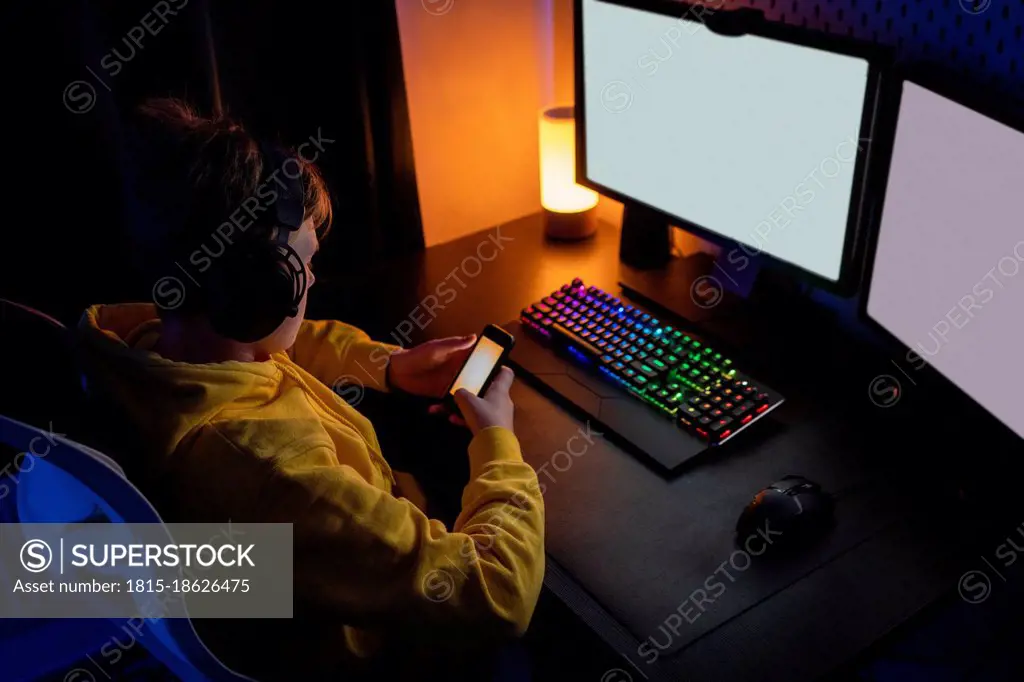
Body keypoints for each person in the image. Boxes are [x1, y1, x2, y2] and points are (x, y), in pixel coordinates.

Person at [77, 99, 545, 680]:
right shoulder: (277, 471)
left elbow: (282, 345)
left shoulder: (147, 343)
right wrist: (498, 439)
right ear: (256, 292)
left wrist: (389, 365)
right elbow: (498, 596)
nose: (314, 280)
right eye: (304, 266)